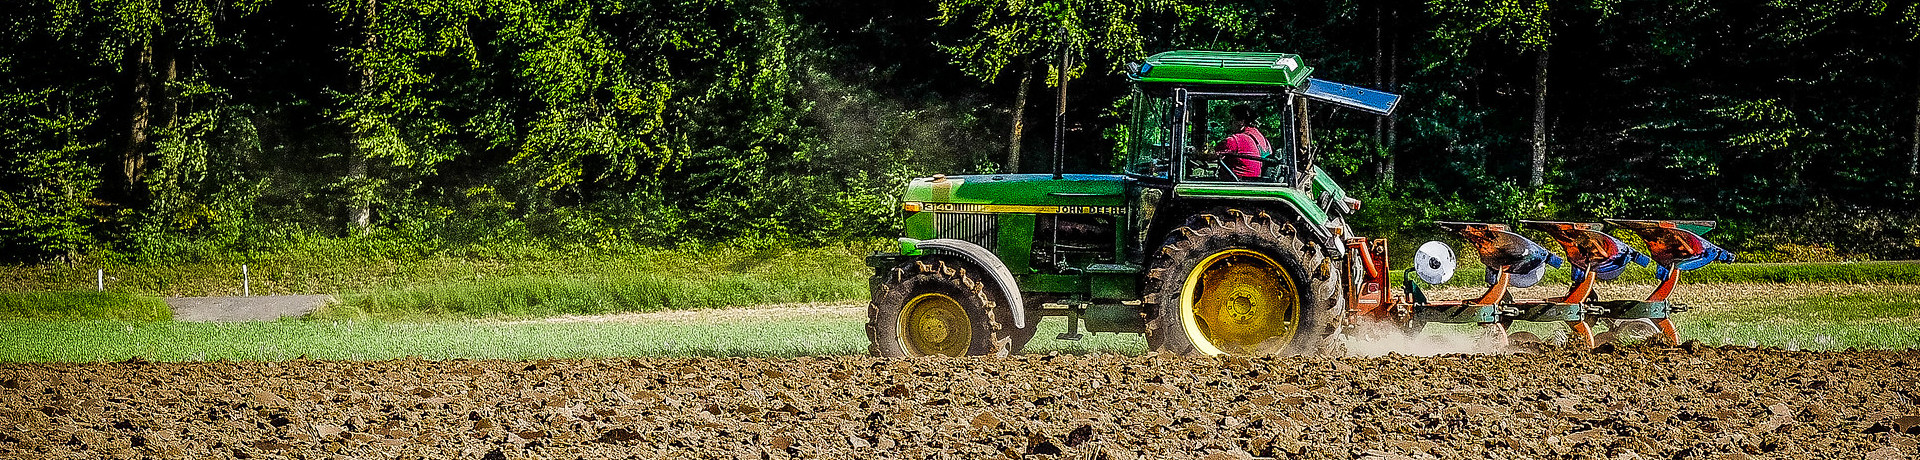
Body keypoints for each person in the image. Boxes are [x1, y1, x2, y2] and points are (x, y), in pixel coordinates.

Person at [1198, 104, 1272, 181]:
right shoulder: (1261, 138)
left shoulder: (1236, 140)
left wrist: (1197, 154)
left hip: (1236, 182)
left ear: (1241, 122)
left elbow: (1210, 156)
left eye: (1231, 121)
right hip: (1253, 181)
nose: (1229, 125)